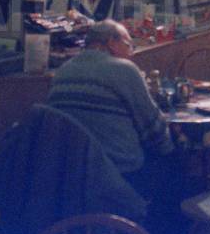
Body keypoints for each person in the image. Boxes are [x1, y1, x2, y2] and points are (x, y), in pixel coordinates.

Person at [46, 21, 174, 182]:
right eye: (128, 45)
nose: (131, 53)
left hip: (70, 173)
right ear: (112, 43)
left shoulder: (63, 71)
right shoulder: (124, 70)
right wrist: (170, 148)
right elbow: (153, 129)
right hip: (117, 172)